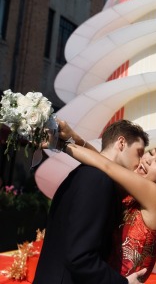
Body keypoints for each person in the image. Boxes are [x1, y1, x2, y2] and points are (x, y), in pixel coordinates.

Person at [58, 120, 156, 281]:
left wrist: (60, 145)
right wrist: (74, 138)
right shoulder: (134, 189)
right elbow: (106, 160)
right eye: (151, 152)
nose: (148, 159)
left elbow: (106, 166)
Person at [33, 119, 149, 284]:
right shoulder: (98, 180)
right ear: (121, 143)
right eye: (139, 152)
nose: (139, 162)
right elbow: (80, 257)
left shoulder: (86, 173)